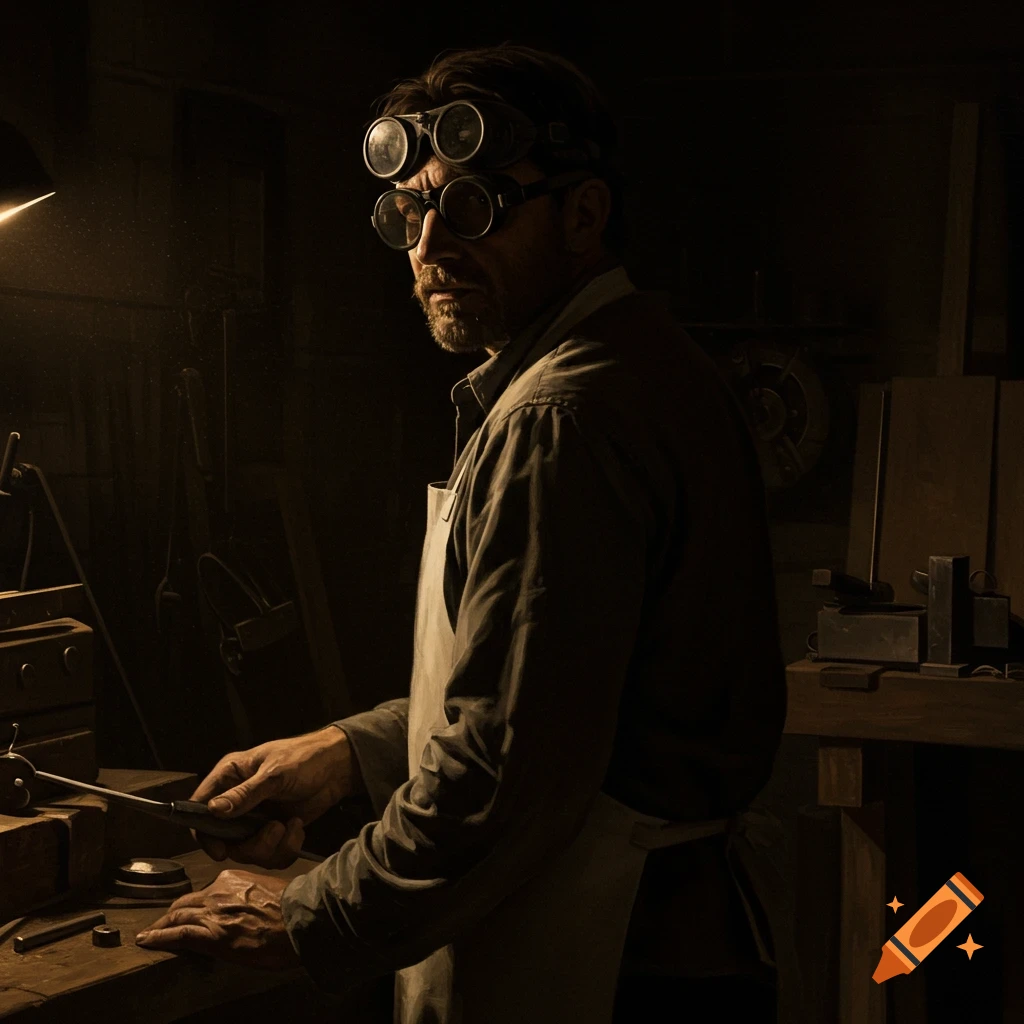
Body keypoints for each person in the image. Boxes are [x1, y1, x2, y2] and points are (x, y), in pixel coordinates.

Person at [136, 44, 787, 1023]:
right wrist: (351, 750)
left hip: (607, 958)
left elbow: (504, 770)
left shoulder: (561, 415)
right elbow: (566, 692)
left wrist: (313, 913)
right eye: (412, 212)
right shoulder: (635, 367)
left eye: (476, 208)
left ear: (582, 214)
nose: (432, 246)